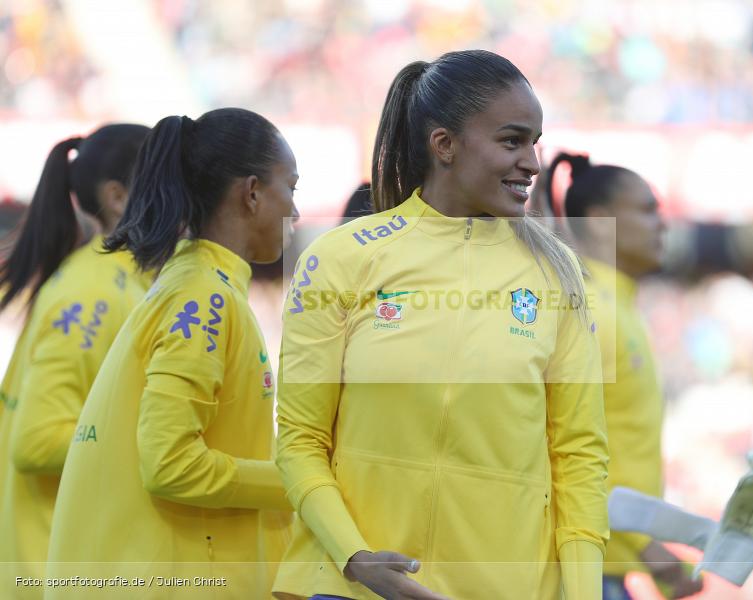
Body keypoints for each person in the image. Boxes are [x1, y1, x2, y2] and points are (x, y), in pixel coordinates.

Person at [273, 50, 609, 600]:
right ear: (444, 144)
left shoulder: (559, 272)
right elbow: (301, 440)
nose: (532, 163)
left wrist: (583, 593)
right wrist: (355, 557)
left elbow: (578, 456)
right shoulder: (341, 257)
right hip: (351, 585)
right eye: (511, 140)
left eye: (535, 142)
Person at [44, 108, 297, 598]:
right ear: (251, 193)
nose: (295, 210)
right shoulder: (202, 295)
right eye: (292, 187)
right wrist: (299, 482)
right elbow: (171, 464)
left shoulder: (198, 284)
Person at [0, 124, 150, 598]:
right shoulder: (94, 293)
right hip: (51, 571)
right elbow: (38, 442)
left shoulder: (124, 283)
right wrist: (162, 442)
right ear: (118, 198)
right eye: (171, 181)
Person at [545, 154, 701, 599]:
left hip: (604, 564)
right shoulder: (591, 310)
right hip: (581, 569)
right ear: (598, 221)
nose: (662, 225)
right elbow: (562, 445)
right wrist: (647, 547)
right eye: (648, 210)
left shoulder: (617, 306)